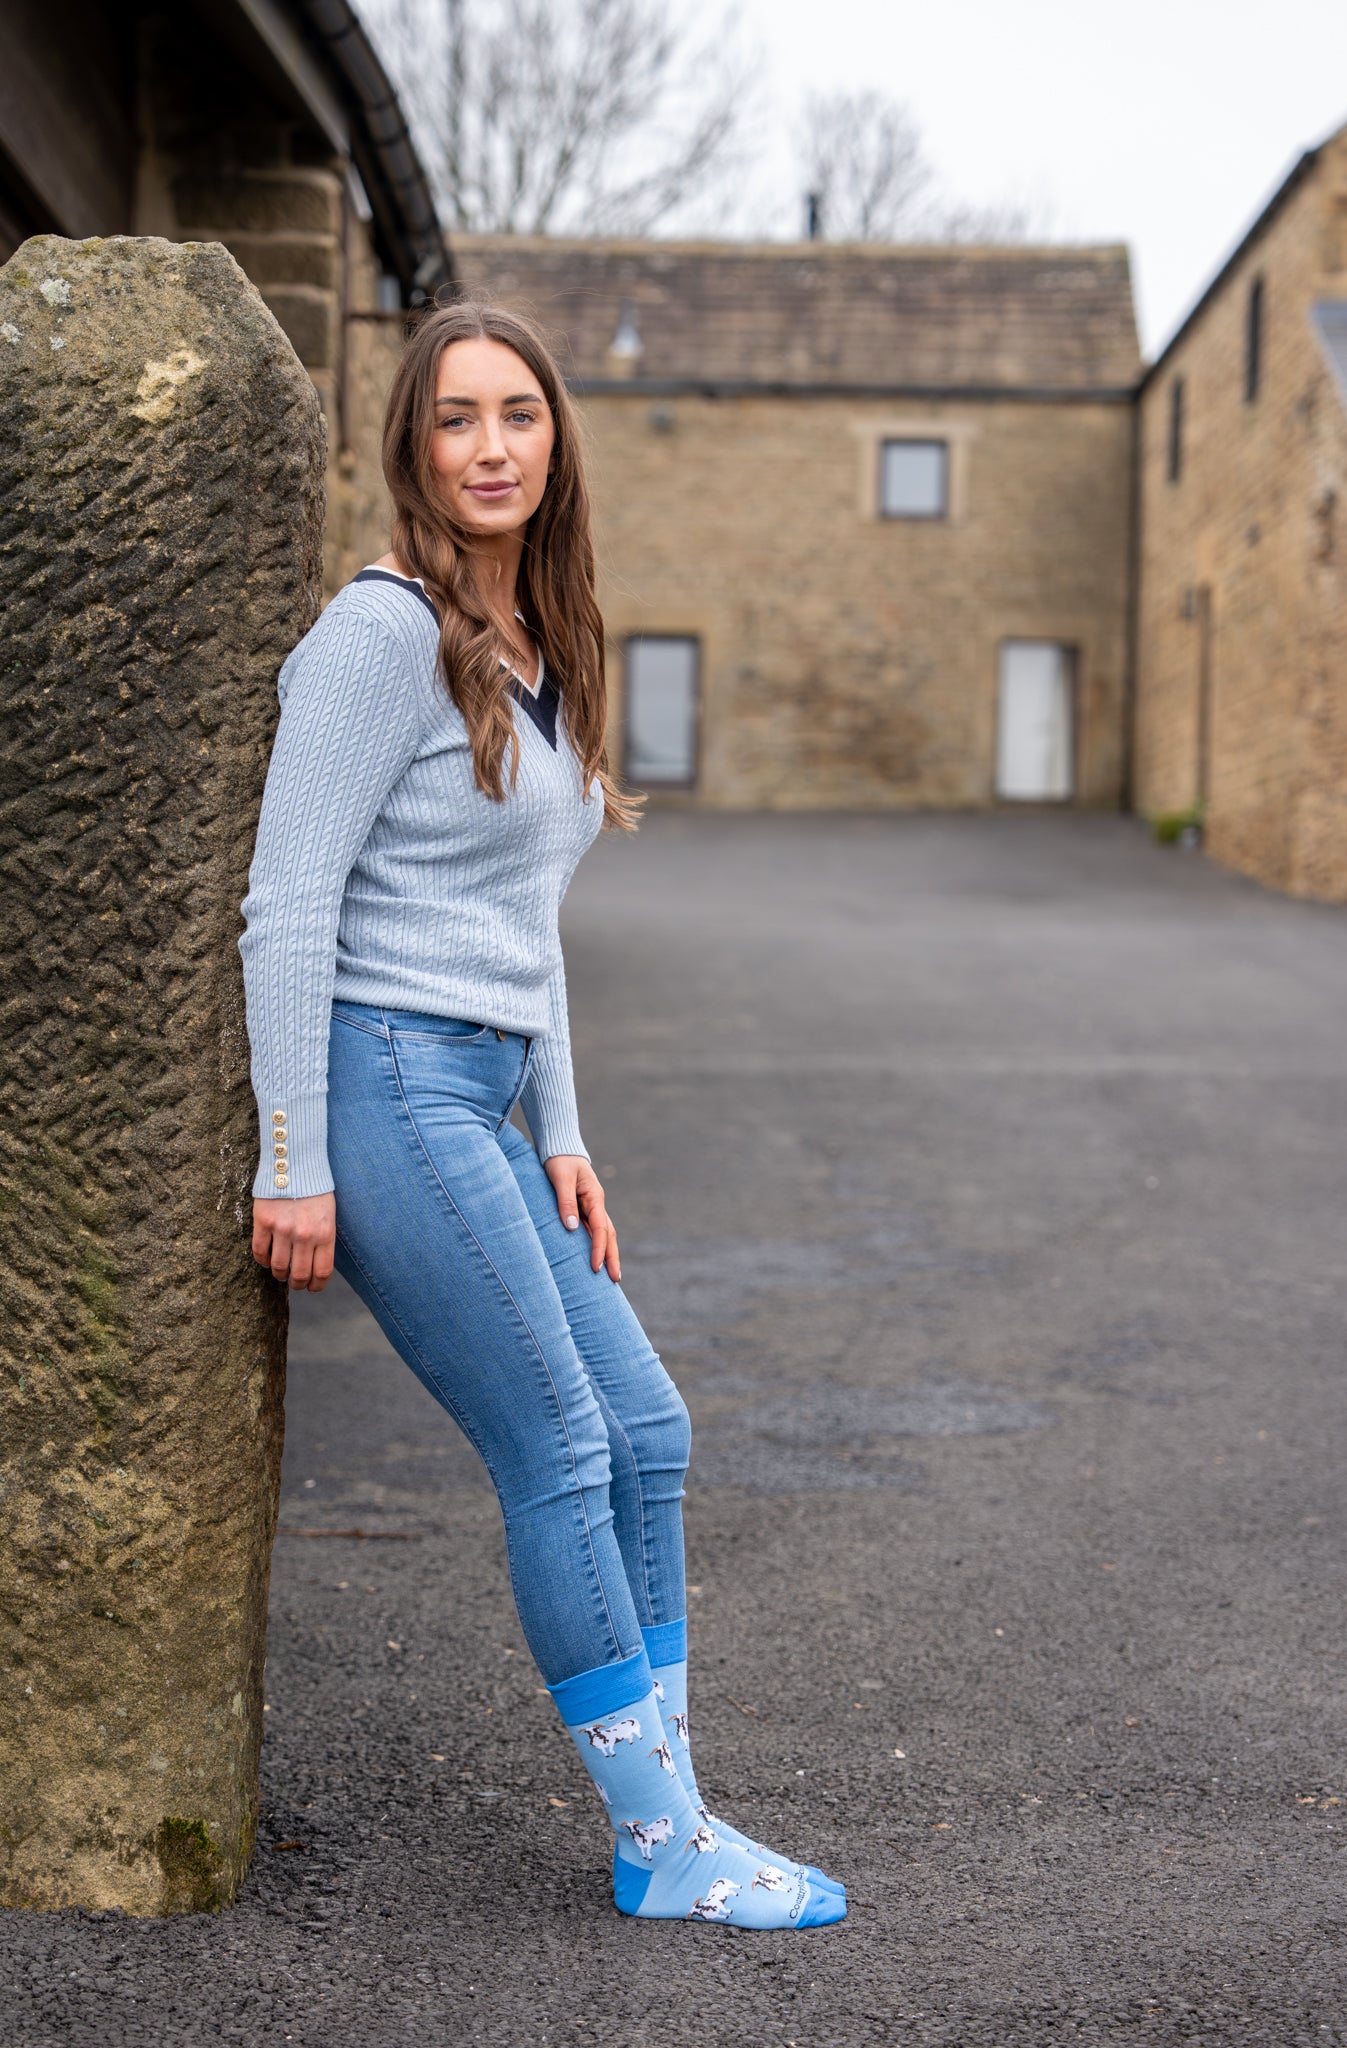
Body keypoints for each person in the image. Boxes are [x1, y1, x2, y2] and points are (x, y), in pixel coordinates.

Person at [238, 300, 844, 1929]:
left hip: (486, 1095)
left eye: (518, 413)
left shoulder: (542, 638)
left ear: (557, 436)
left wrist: (563, 1130)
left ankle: (681, 1808)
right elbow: (287, 902)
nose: (491, 446)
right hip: (380, 1081)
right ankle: (663, 1844)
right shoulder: (377, 635)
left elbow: (525, 932)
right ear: (412, 447)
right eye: (455, 419)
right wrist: (290, 1154)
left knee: (649, 1432)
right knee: (560, 1446)